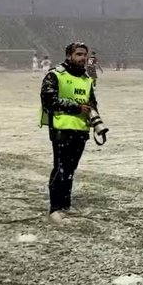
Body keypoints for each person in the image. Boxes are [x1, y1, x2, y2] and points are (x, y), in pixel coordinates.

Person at [39, 42, 99, 225]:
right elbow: (48, 99)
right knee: (61, 168)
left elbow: (92, 102)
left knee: (71, 169)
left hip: (80, 129)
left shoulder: (86, 79)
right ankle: (55, 209)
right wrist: (76, 107)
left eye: (84, 55)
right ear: (69, 56)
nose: (83, 58)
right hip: (61, 127)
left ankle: (65, 205)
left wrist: (95, 118)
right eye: (79, 54)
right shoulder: (55, 75)